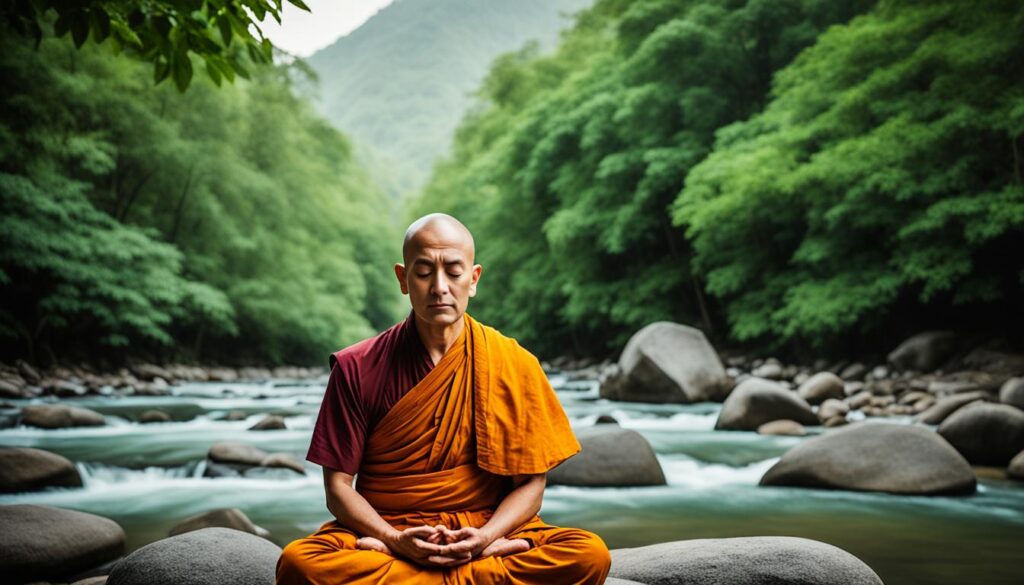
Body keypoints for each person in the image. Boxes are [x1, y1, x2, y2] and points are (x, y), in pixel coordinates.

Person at [275, 213, 612, 584]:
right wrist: (393, 539)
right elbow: (338, 488)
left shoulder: (514, 363)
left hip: (486, 530)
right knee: (299, 563)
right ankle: (474, 575)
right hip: (386, 530)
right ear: (403, 279)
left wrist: (485, 538)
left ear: (474, 278)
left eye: (453, 271)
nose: (439, 287)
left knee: (589, 554)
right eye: (423, 273)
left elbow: (531, 484)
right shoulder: (357, 367)